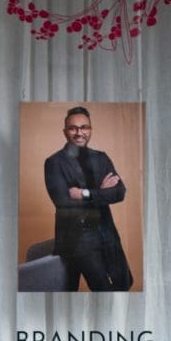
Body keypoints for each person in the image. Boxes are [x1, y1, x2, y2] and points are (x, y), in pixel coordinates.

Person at [43, 106, 132, 291]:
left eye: (84, 127)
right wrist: (102, 193)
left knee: (122, 285)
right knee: (102, 290)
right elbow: (63, 202)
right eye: (73, 128)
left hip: (107, 233)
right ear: (65, 131)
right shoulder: (54, 163)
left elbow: (119, 192)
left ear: (90, 130)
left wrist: (87, 193)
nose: (79, 133)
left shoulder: (101, 158)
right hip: (78, 239)